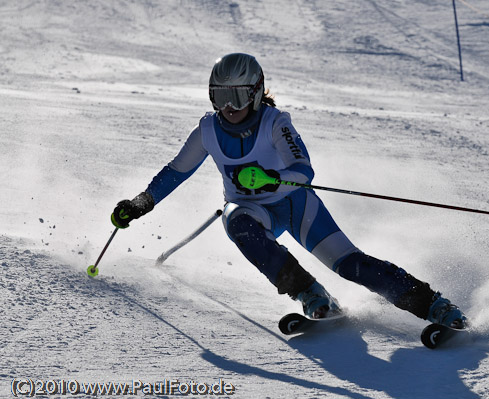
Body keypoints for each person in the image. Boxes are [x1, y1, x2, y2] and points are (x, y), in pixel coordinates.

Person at [111, 53, 467, 328]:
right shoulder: (207, 129)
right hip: (251, 212)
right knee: (238, 224)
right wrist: (140, 204)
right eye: (219, 96)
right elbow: (176, 171)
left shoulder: (274, 122)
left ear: (254, 93)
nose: (228, 108)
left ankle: (433, 304)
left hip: (295, 205)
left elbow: (303, 170)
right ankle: (310, 293)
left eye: (236, 96)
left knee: (351, 266)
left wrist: (270, 178)